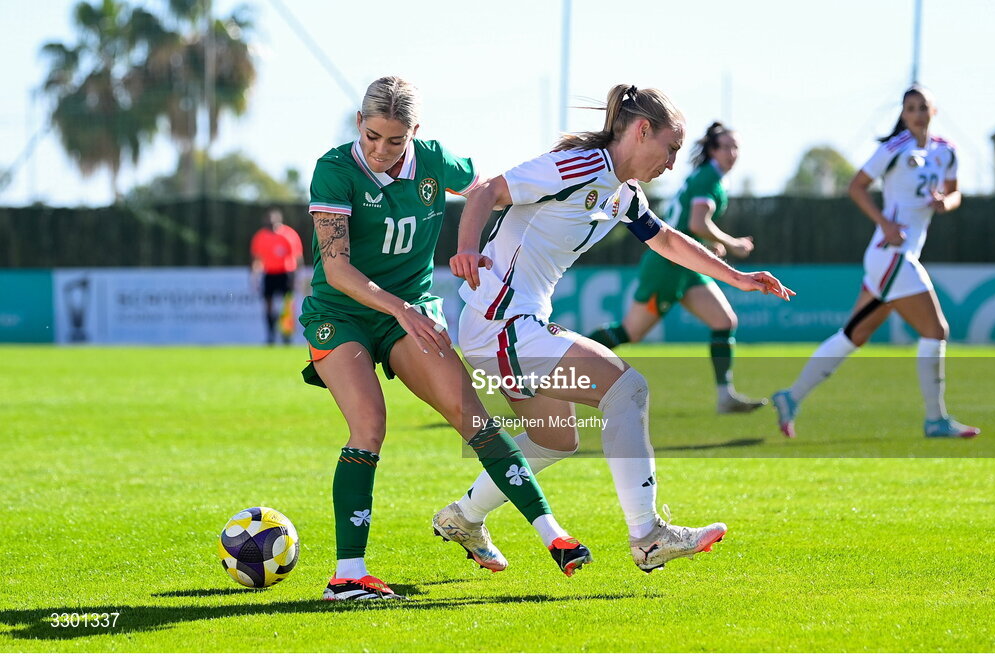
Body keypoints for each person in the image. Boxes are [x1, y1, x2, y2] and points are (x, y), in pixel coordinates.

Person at [431, 84, 793, 574]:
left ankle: (464, 516)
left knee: (555, 438)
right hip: (500, 322)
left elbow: (665, 238)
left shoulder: (623, 191)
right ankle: (647, 536)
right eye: (669, 148)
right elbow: (488, 191)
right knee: (627, 389)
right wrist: (467, 248)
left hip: (512, 324)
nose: (670, 162)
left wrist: (736, 277)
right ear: (641, 131)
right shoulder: (580, 166)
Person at [302, 76, 592, 602]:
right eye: (370, 136)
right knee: (369, 424)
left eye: (395, 140)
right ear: (358, 126)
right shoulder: (334, 169)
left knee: (474, 419)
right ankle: (347, 576)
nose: (381, 151)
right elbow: (337, 269)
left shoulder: (437, 162)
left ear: (416, 130)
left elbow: (488, 191)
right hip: (341, 313)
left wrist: (480, 242)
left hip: (409, 312)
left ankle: (555, 536)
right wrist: (401, 307)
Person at [771, 85, 980, 439]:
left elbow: (954, 190)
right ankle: (935, 420)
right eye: (910, 108)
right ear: (902, 114)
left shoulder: (947, 151)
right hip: (892, 254)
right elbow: (856, 186)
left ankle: (790, 398)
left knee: (855, 334)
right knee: (936, 330)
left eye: (922, 107)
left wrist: (947, 201)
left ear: (934, 111)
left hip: (898, 257)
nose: (916, 113)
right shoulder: (893, 149)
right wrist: (884, 222)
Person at [587, 122, 766, 413]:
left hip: (686, 265)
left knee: (724, 322)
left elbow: (691, 226)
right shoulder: (709, 177)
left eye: (737, 147)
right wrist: (732, 243)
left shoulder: (710, 177)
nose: (733, 153)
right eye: (726, 147)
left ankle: (725, 396)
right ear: (712, 150)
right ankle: (560, 366)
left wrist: (707, 247)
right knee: (630, 333)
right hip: (669, 265)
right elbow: (696, 223)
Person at [250, 208, 304, 344]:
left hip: (286, 273)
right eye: (268, 221)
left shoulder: (289, 234)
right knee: (268, 305)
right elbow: (256, 259)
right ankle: (271, 336)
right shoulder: (260, 236)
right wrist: (254, 276)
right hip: (269, 273)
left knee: (287, 306)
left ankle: (287, 336)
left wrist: (297, 277)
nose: (271, 224)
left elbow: (298, 258)